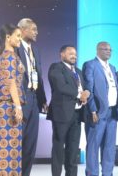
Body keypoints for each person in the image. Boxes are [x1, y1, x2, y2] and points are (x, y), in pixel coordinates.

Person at [0, 24, 24, 176]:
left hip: (8, 104)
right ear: (8, 37)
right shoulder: (8, 55)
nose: (20, 39)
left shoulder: (11, 54)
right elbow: (11, 82)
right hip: (9, 105)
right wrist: (18, 106)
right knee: (6, 148)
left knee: (8, 147)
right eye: (18, 36)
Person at [47, 45, 89, 176]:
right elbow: (61, 86)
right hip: (61, 115)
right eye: (70, 53)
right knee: (58, 149)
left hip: (77, 115)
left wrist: (87, 93)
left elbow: (85, 88)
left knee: (73, 150)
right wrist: (79, 95)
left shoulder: (78, 71)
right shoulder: (56, 67)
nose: (74, 56)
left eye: (75, 54)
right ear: (62, 54)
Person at [82, 41, 118, 176]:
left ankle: (107, 173)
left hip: (112, 112)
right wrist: (92, 110)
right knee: (93, 146)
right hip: (97, 112)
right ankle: (92, 173)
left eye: (110, 50)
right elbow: (89, 88)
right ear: (98, 50)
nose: (108, 52)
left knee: (109, 147)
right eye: (105, 49)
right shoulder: (90, 65)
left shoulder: (113, 67)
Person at [16, 18, 47, 176]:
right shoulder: (14, 47)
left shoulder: (36, 50)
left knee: (30, 143)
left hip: (34, 99)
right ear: (22, 29)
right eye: (33, 29)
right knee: (16, 141)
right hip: (20, 99)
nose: (36, 32)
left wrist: (43, 100)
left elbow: (38, 76)